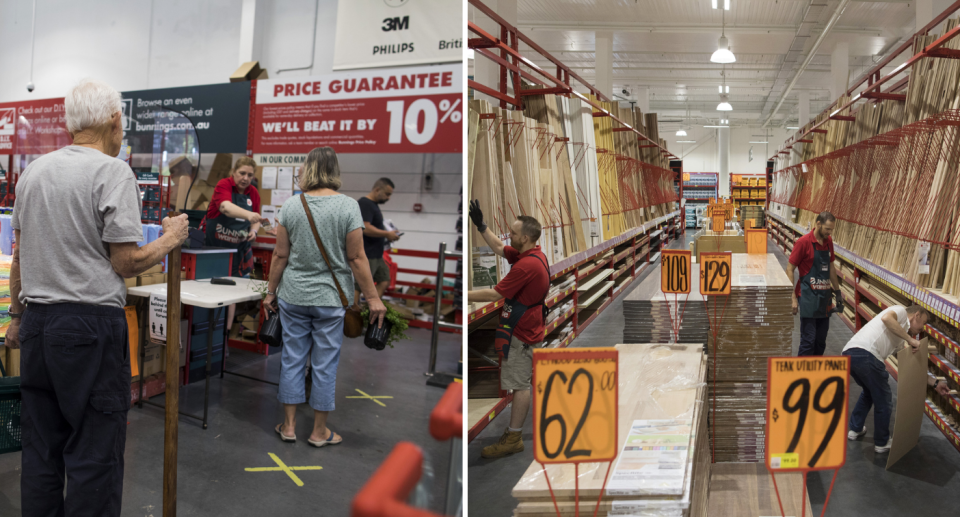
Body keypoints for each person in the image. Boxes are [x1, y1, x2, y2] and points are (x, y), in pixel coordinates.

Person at [5, 79, 190, 517]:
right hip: (89, 328)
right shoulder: (112, 171)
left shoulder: (34, 172)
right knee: (95, 453)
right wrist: (171, 238)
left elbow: (20, 257)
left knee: (41, 450)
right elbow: (126, 263)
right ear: (113, 120)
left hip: (37, 326)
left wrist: (16, 317)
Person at [263, 147, 386, 446]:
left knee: (292, 359)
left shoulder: (292, 206)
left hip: (294, 295)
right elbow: (357, 258)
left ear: (310, 169)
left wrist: (269, 292)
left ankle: (289, 426)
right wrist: (373, 298)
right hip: (331, 299)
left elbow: (280, 254)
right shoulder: (348, 207)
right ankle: (319, 432)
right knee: (324, 363)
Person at [466, 200, 549, 459]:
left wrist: (462, 294)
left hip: (522, 332)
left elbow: (494, 293)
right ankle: (513, 433)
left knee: (520, 385)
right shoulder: (533, 255)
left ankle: (513, 437)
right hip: (528, 326)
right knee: (521, 381)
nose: (508, 236)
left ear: (525, 237)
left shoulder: (527, 266)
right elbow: (500, 248)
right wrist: (481, 227)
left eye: (513, 233)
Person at [841, 305, 949, 453]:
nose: (922, 328)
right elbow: (886, 318)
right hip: (867, 354)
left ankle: (855, 429)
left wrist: (934, 382)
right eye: (923, 322)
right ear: (916, 315)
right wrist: (911, 340)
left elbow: (911, 367)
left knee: (869, 392)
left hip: (850, 355)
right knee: (884, 399)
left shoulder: (899, 336)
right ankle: (882, 442)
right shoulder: (900, 311)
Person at [786, 211, 842, 356]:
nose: (829, 233)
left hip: (824, 298)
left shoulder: (828, 242)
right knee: (808, 340)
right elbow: (790, 269)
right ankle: (802, 376)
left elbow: (830, 267)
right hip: (807, 297)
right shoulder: (803, 242)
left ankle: (815, 374)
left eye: (831, 230)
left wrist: (838, 292)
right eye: (827, 229)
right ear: (818, 224)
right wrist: (792, 298)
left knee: (820, 341)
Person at [203, 156, 267, 277]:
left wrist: (254, 230)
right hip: (214, 253)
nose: (245, 178)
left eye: (250, 175)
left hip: (239, 255)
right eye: (242, 173)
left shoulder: (253, 192)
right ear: (233, 172)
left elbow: (256, 218)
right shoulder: (223, 185)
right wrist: (249, 214)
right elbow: (225, 208)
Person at [353, 178, 399, 308]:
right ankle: (352, 317)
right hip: (367, 254)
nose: (388, 198)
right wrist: (386, 234)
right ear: (377, 189)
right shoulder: (365, 204)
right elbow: (365, 227)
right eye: (387, 194)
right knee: (358, 286)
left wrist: (389, 233)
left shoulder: (374, 205)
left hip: (377, 255)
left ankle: (369, 312)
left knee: (384, 280)